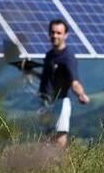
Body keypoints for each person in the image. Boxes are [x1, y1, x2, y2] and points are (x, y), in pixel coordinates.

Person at [38, 19, 89, 147]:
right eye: (52, 32)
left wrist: (81, 94)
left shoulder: (68, 57)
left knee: (60, 136)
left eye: (59, 33)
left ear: (66, 35)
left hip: (60, 102)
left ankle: (60, 164)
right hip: (45, 102)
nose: (55, 35)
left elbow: (74, 81)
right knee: (47, 137)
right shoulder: (49, 55)